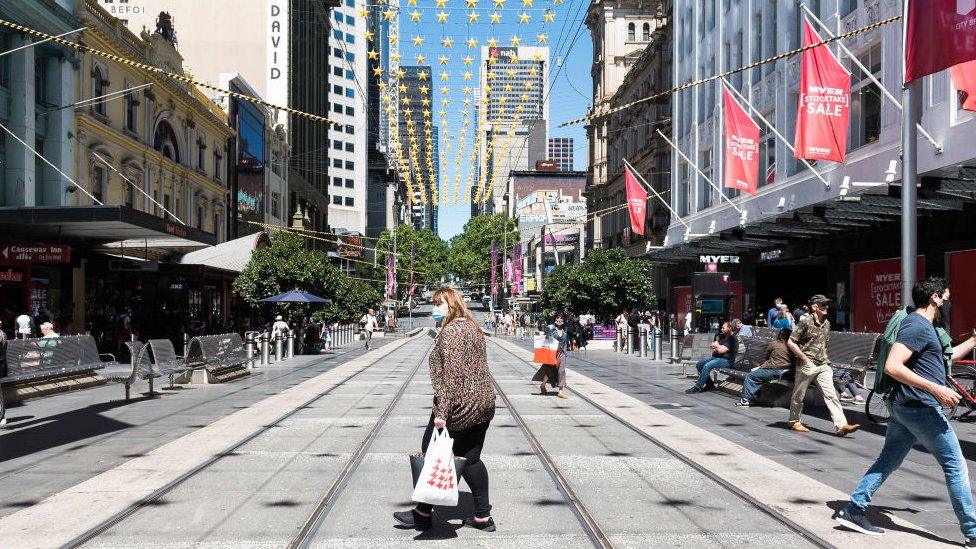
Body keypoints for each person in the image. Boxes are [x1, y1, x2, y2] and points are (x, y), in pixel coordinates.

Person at [836, 278, 976, 541]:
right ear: (935, 297)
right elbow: (893, 366)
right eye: (946, 296)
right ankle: (973, 532)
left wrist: (973, 340)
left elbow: (944, 359)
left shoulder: (925, 327)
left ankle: (854, 509)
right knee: (956, 466)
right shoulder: (916, 326)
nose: (948, 302)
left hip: (905, 408)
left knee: (889, 459)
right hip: (920, 408)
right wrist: (937, 389)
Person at [394, 288, 496, 532]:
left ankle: (422, 514)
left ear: (451, 305)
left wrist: (441, 413)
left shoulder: (451, 332)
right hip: (483, 403)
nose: (434, 309)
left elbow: (451, 376)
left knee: (432, 450)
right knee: (470, 458)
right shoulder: (473, 328)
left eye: (439, 304)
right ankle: (482, 517)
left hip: (459, 405)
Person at [787, 295, 860, 437]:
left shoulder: (827, 323)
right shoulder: (805, 322)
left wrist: (826, 359)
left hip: (823, 365)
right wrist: (804, 359)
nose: (826, 307)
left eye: (827, 305)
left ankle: (841, 426)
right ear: (814, 307)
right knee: (799, 394)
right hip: (806, 364)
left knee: (831, 395)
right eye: (823, 305)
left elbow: (824, 344)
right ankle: (794, 421)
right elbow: (791, 342)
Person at [736, 328, 795, 407]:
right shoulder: (793, 346)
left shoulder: (774, 344)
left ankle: (746, 400)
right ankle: (755, 398)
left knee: (750, 376)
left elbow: (767, 358)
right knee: (759, 375)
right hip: (788, 371)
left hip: (774, 370)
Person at [686, 321, 738, 394]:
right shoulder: (723, 336)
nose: (721, 329)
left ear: (729, 328)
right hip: (717, 358)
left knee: (707, 366)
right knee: (699, 364)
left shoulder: (732, 339)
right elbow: (713, 345)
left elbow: (720, 351)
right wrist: (717, 347)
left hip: (727, 361)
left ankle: (697, 387)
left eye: (723, 328)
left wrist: (717, 347)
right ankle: (710, 385)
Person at [532, 312, 570, 399]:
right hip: (552, 353)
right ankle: (543, 385)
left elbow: (565, 341)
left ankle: (560, 391)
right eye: (557, 318)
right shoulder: (550, 327)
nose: (559, 320)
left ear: (564, 320)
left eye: (561, 318)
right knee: (549, 371)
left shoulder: (565, 329)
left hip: (562, 353)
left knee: (562, 371)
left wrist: (565, 351)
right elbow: (544, 338)